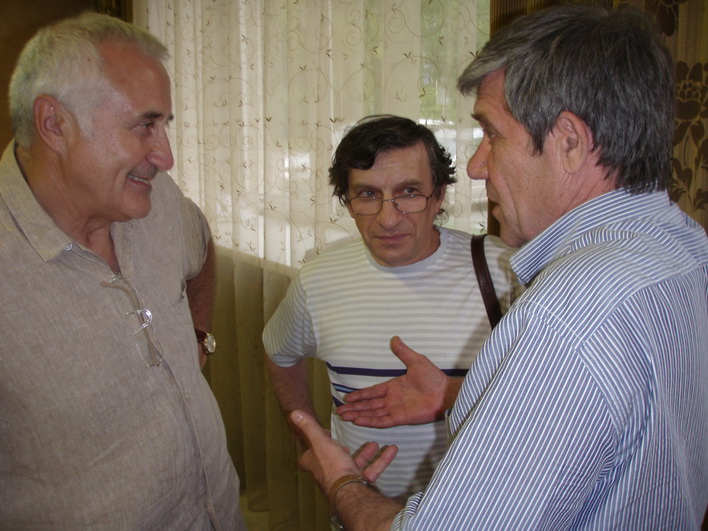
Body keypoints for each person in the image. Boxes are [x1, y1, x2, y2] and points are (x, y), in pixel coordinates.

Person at [289, 5, 708, 530]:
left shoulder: (566, 316)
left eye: (493, 134)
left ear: (570, 143)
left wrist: (341, 483)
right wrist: (455, 395)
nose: (476, 165)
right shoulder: (685, 247)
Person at [0, 12, 246, 529]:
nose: (166, 156)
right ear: (54, 124)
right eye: (144, 125)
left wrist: (198, 336)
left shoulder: (154, 196)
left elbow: (200, 247)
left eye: (165, 125)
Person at [262, 114, 518, 499]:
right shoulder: (318, 279)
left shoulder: (505, 271)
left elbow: (554, 401)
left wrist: (452, 393)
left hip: (477, 508)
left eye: (409, 192)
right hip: (360, 506)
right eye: (367, 195)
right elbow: (279, 353)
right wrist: (311, 441)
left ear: (439, 196)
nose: (388, 218)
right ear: (348, 203)